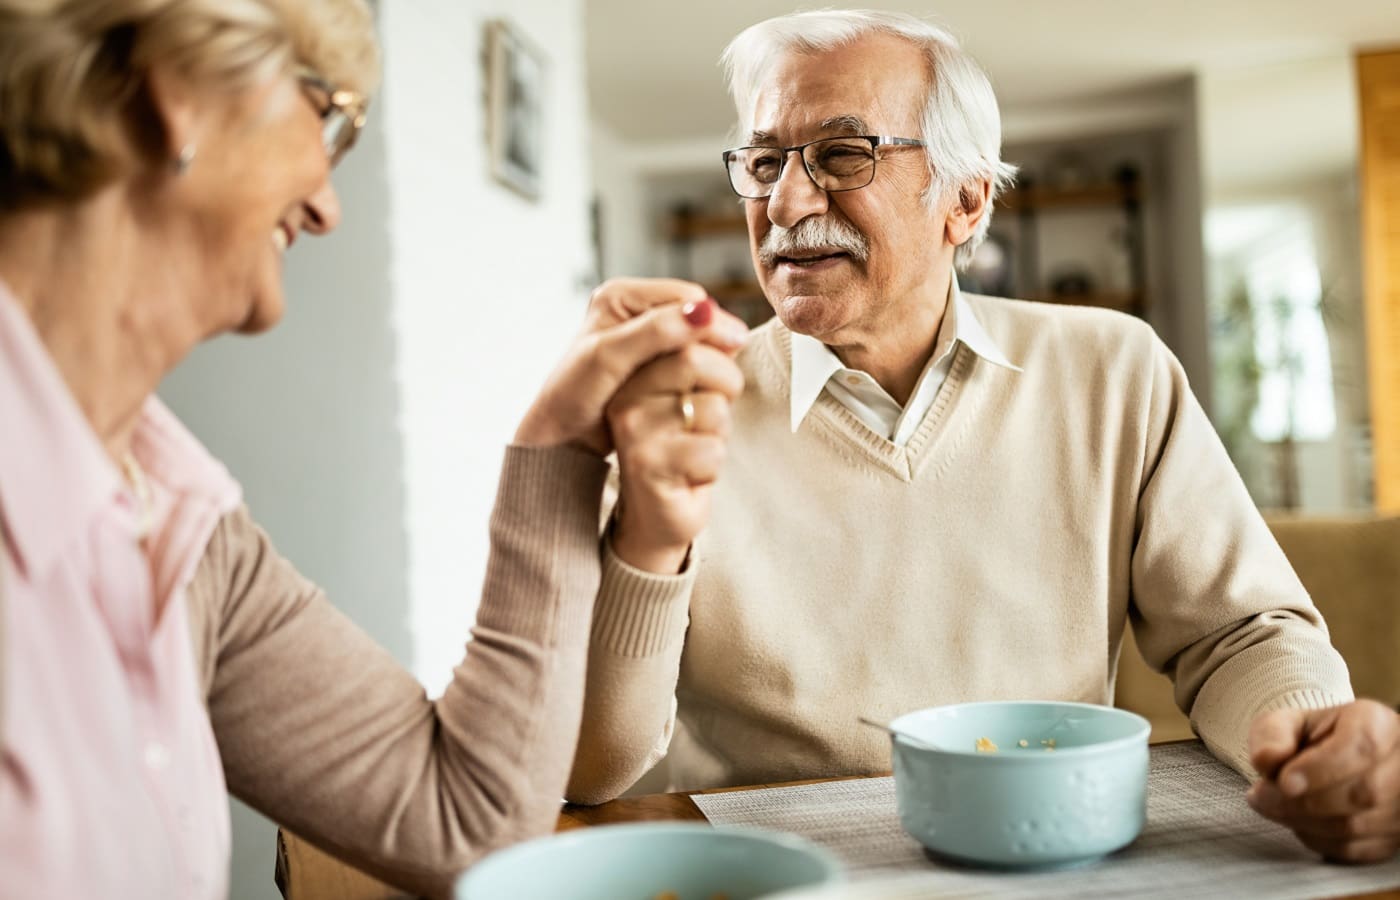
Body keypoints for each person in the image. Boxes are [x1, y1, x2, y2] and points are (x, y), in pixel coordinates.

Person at [567, 9, 1399, 863]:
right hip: (775, 873)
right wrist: (647, 538)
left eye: (842, 155)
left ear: (965, 201)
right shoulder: (677, 411)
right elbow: (593, 768)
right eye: (766, 160)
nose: (784, 200)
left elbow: (1240, 634)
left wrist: (1309, 739)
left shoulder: (1114, 370)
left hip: (1043, 856)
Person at [0, 1, 747, 898]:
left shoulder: (184, 527)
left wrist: (560, 447)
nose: (325, 206)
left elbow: (466, 820)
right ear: (181, 94)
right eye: (328, 118)